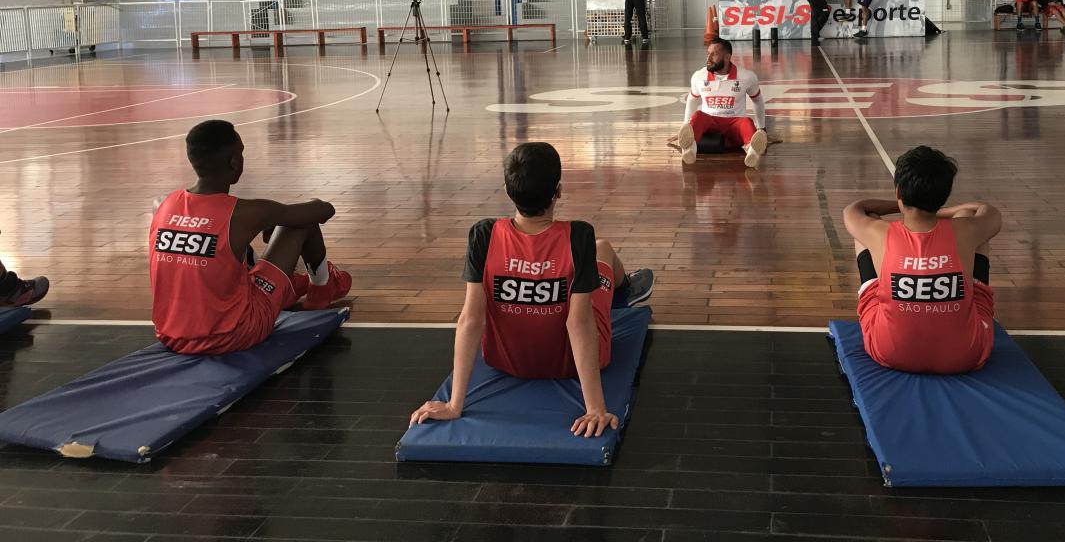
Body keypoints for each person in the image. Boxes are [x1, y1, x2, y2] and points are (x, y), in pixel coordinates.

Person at [409, 143, 654, 435]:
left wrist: (454, 404)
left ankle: (621, 287)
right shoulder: (579, 235)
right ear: (558, 190)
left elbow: (471, 319)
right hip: (570, 365)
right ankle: (625, 290)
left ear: (507, 190)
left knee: (592, 259)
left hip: (506, 362)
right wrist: (595, 408)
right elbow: (579, 322)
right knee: (603, 249)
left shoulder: (483, 235)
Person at [149, 120, 352, 355]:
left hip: (170, 336)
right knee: (299, 223)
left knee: (222, 247)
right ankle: (322, 289)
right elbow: (324, 210)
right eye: (242, 153)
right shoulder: (246, 213)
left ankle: (285, 286)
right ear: (234, 161)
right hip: (233, 335)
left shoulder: (162, 204)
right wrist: (277, 218)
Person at [843, 146, 1002, 374]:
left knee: (866, 229)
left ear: (899, 191)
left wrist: (905, 203)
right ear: (943, 194)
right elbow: (986, 210)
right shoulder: (965, 230)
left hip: (890, 352)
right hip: (966, 355)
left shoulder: (881, 233)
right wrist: (938, 209)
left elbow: (857, 208)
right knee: (973, 224)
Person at [676, 37, 769, 168]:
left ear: (727, 57)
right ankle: (689, 150)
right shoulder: (699, 76)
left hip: (734, 123)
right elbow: (692, 100)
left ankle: (752, 152)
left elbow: (758, 100)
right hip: (710, 124)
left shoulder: (747, 76)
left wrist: (762, 127)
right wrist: (685, 126)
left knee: (746, 122)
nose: (708, 58)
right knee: (698, 116)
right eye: (708, 53)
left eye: (713, 54)